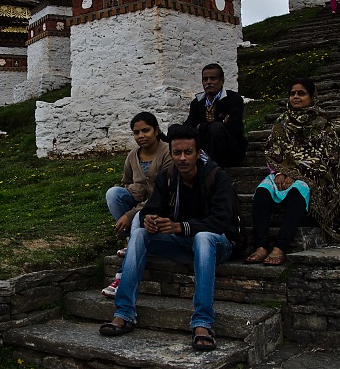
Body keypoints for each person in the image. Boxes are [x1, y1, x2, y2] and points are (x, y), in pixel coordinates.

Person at [99, 124, 240, 352]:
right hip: (184, 244)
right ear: (171, 153)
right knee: (139, 234)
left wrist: (180, 227)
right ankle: (124, 313)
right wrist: (149, 218)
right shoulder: (168, 176)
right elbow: (151, 207)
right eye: (177, 153)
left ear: (197, 152)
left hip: (219, 245)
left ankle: (202, 322)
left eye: (188, 152)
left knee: (203, 237)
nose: (182, 158)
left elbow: (221, 221)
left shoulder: (217, 176)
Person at [244, 78, 340, 266]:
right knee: (261, 193)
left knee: (296, 194)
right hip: (281, 174)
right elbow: (272, 151)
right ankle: (260, 245)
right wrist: (278, 173)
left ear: (311, 97)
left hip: (312, 174)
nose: (295, 97)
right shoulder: (282, 122)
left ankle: (280, 247)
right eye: (292, 93)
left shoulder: (321, 123)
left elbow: (327, 156)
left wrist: (295, 174)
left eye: (301, 93)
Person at [102, 112, 172, 297]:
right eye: (136, 132)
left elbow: (163, 194)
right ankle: (131, 239)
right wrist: (136, 192)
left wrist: (131, 213)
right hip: (140, 203)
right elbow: (126, 182)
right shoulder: (133, 155)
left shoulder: (167, 153)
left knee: (136, 220)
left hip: (162, 207)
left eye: (145, 130)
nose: (141, 136)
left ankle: (122, 278)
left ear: (156, 130)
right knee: (113, 193)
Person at [184, 63, 247, 168]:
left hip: (229, 150)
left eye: (213, 78)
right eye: (205, 79)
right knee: (175, 129)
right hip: (204, 149)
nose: (208, 82)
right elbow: (189, 126)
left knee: (216, 129)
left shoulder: (234, 99)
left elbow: (233, 127)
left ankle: (215, 170)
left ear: (221, 81)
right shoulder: (197, 103)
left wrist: (202, 127)